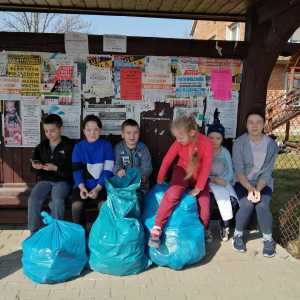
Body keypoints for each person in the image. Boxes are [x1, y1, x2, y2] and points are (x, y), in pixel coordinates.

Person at [148, 114, 214, 248]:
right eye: (176, 137)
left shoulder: (206, 143)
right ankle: (157, 228)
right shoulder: (178, 143)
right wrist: (160, 180)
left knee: (205, 209)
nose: (178, 140)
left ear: (192, 132)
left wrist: (198, 188)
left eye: (180, 137)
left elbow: (206, 168)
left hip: (199, 176)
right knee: (173, 194)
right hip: (182, 171)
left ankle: (200, 232)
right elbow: (167, 160)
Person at [232, 110, 279, 257]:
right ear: (246, 124)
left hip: (263, 182)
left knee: (262, 205)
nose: (254, 125)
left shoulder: (271, 145)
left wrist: (258, 189)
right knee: (246, 204)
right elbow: (239, 170)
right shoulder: (239, 143)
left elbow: (267, 172)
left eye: (258, 122)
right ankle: (237, 235)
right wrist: (250, 188)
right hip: (243, 181)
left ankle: (268, 239)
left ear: (264, 124)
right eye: (251, 122)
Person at [28, 114, 74, 235]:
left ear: (61, 129)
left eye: (52, 131)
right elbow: (34, 170)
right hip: (45, 180)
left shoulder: (70, 146)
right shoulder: (41, 146)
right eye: (46, 131)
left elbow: (73, 170)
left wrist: (56, 168)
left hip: (63, 181)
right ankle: (33, 232)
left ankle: (56, 232)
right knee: (33, 199)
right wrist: (36, 167)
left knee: (57, 201)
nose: (49, 134)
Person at [72, 115, 114, 231]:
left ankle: (100, 234)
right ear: (83, 131)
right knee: (76, 206)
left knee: (103, 205)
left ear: (100, 130)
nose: (92, 133)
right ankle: (81, 235)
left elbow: (108, 170)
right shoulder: (78, 147)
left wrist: (98, 188)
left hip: (101, 185)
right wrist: (81, 187)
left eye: (96, 129)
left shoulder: (107, 146)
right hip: (82, 186)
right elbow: (77, 171)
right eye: (89, 130)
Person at [204, 122, 238, 243]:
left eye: (218, 138)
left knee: (232, 201)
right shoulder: (205, 151)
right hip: (209, 181)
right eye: (211, 138)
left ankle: (224, 223)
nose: (214, 141)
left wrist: (223, 180)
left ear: (222, 139)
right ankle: (206, 227)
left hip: (223, 181)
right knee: (208, 201)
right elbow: (202, 170)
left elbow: (231, 172)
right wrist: (213, 179)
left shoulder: (225, 153)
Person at [112, 119, 153, 210]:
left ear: (139, 134)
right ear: (122, 134)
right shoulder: (119, 148)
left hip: (140, 186)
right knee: (121, 204)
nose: (132, 136)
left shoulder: (144, 149)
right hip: (123, 186)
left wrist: (144, 175)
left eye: (135, 132)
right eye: (128, 133)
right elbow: (116, 164)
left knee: (138, 202)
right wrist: (118, 171)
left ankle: (137, 222)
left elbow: (147, 167)